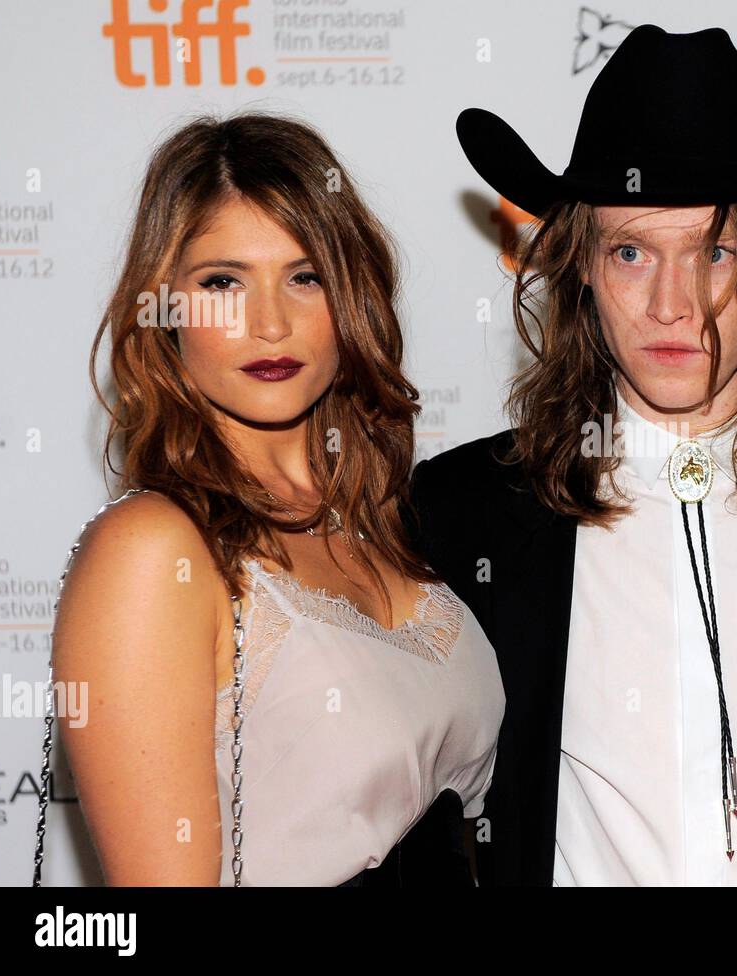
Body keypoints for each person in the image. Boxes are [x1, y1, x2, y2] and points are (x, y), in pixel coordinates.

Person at [409, 24, 737, 885]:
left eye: (715, 250)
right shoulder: (464, 511)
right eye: (631, 251)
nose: (672, 305)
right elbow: (419, 819)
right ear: (580, 268)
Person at [42, 112, 503, 886]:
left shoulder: (388, 524)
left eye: (305, 276)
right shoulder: (152, 552)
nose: (269, 323)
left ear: (349, 297)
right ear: (166, 310)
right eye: (222, 282)